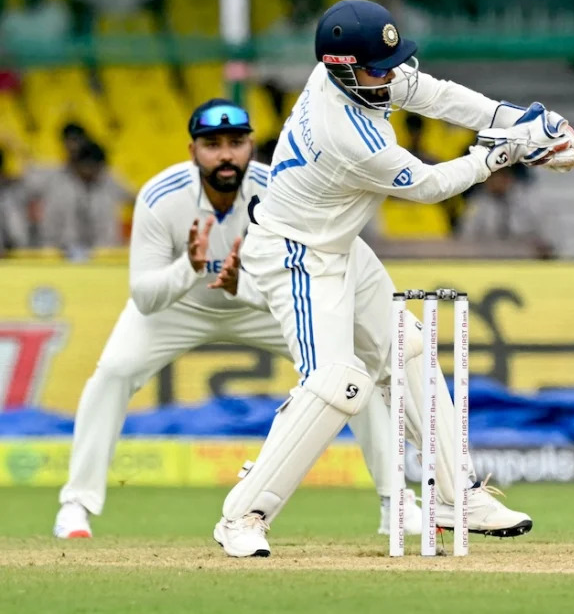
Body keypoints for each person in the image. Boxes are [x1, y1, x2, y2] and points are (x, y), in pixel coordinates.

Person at [214, 0, 574, 557]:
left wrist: (520, 121)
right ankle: (243, 515)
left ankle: (453, 496)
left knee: (408, 347)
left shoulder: (365, 75)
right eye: (377, 68)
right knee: (338, 383)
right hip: (295, 251)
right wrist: (503, 154)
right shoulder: (347, 134)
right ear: (342, 68)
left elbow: (437, 95)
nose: (389, 76)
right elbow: (429, 186)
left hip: (340, 244)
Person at [52, 99, 421, 539]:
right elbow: (146, 298)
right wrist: (188, 267)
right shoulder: (160, 197)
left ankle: (396, 501)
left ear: (250, 146)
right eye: (212, 144)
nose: (226, 154)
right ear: (192, 151)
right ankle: (76, 505)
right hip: (179, 304)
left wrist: (239, 286)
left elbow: (305, 282)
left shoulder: (284, 190)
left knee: (346, 372)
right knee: (111, 373)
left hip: (258, 303)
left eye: (236, 142)